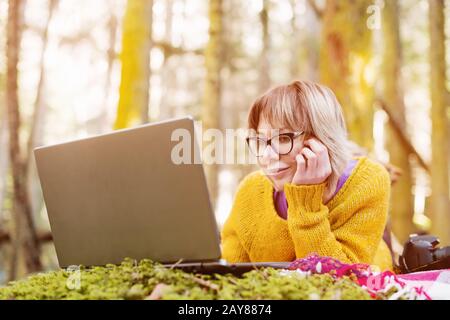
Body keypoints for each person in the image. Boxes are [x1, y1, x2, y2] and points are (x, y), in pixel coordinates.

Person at [220, 80, 393, 271]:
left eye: (284, 138)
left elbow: (342, 281)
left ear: (321, 139)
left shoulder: (367, 181)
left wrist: (305, 202)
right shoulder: (250, 191)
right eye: (260, 141)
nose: (268, 156)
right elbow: (229, 273)